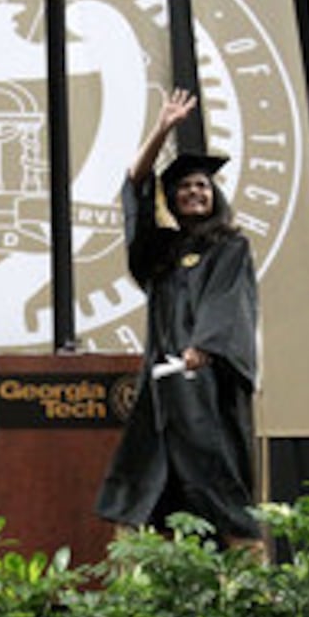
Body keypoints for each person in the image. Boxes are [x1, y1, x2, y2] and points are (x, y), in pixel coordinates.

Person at [95, 87, 262, 543]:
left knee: (213, 470)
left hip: (207, 381)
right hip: (163, 379)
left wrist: (205, 347)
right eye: (185, 186)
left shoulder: (229, 246)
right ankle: (157, 565)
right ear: (173, 197)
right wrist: (163, 127)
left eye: (202, 185)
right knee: (154, 474)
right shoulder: (161, 253)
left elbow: (228, 301)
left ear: (214, 196)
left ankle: (239, 557)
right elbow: (134, 184)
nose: (194, 191)